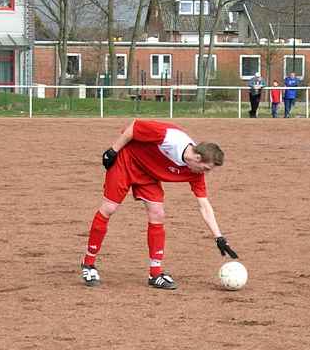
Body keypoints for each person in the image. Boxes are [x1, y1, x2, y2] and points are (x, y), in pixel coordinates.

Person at [80, 119, 239, 289]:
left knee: (157, 213)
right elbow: (135, 127)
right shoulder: (170, 138)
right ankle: (88, 263)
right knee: (109, 208)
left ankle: (155, 273)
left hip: (148, 174)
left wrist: (219, 237)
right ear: (198, 157)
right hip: (126, 161)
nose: (206, 174)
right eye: (207, 168)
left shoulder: (195, 173)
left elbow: (204, 205)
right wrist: (113, 151)